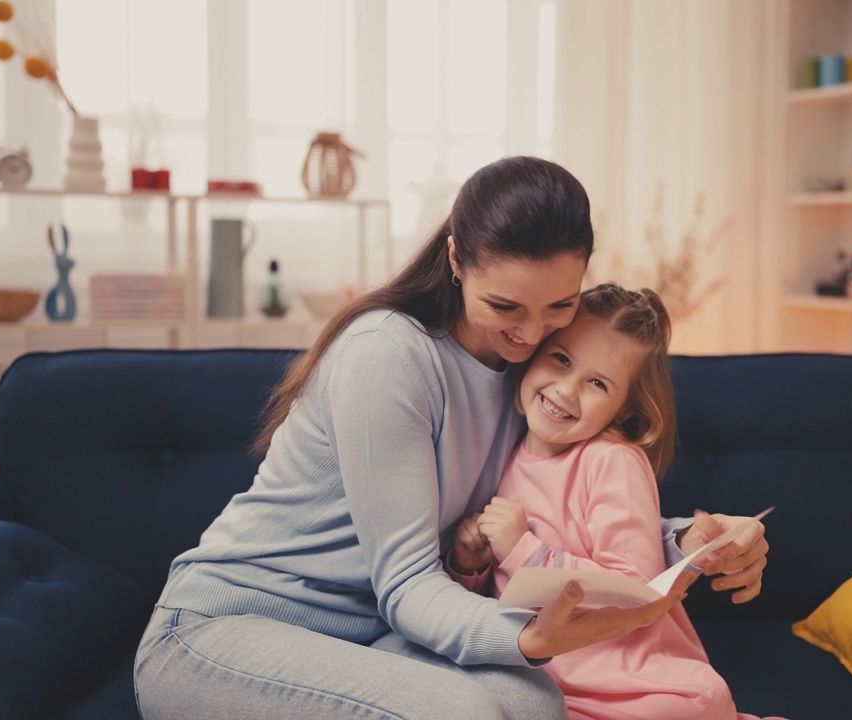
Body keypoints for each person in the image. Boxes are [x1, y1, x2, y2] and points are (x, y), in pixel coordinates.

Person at [133, 156, 770, 720]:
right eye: (507, 307)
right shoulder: (389, 356)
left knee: (536, 704)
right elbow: (407, 583)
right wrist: (527, 640)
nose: (530, 333)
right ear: (457, 260)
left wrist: (691, 541)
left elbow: (555, 499)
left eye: (558, 306)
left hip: (376, 638)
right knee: (469, 711)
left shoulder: (534, 369)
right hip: (231, 628)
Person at [446, 283, 779, 720]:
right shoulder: (505, 451)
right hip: (545, 679)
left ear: (623, 410)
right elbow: (503, 602)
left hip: (631, 687)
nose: (565, 390)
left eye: (597, 383)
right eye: (561, 359)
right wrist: (471, 565)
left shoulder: (612, 461)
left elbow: (636, 587)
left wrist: (524, 551)